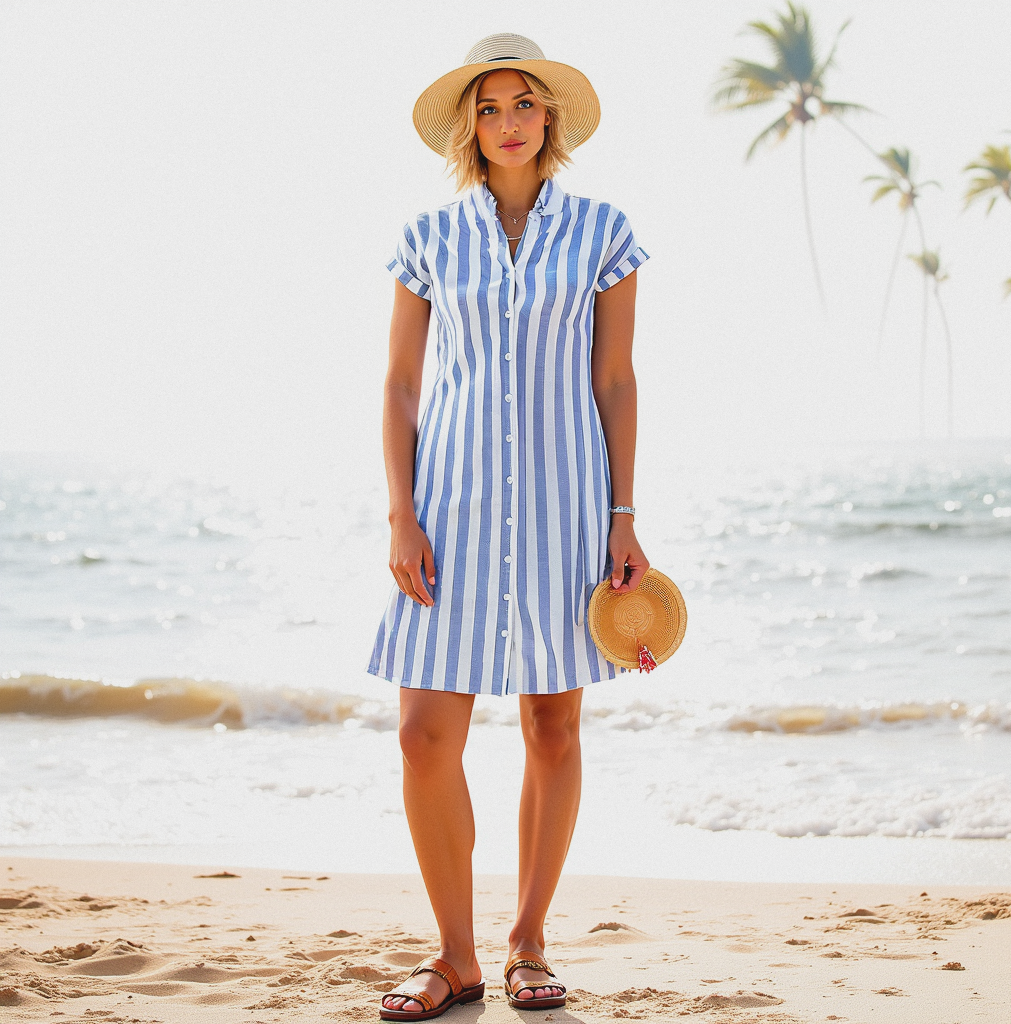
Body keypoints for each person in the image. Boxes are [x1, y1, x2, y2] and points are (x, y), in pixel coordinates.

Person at [368, 33, 650, 1021]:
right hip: (447, 507)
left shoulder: (604, 232)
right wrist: (401, 514)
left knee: (551, 721)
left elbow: (613, 380)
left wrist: (622, 514)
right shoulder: (428, 237)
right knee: (421, 733)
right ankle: (455, 955)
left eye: (523, 104)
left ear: (549, 118)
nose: (508, 123)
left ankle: (528, 940)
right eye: (489, 108)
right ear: (469, 127)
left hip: (569, 503)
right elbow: (402, 383)